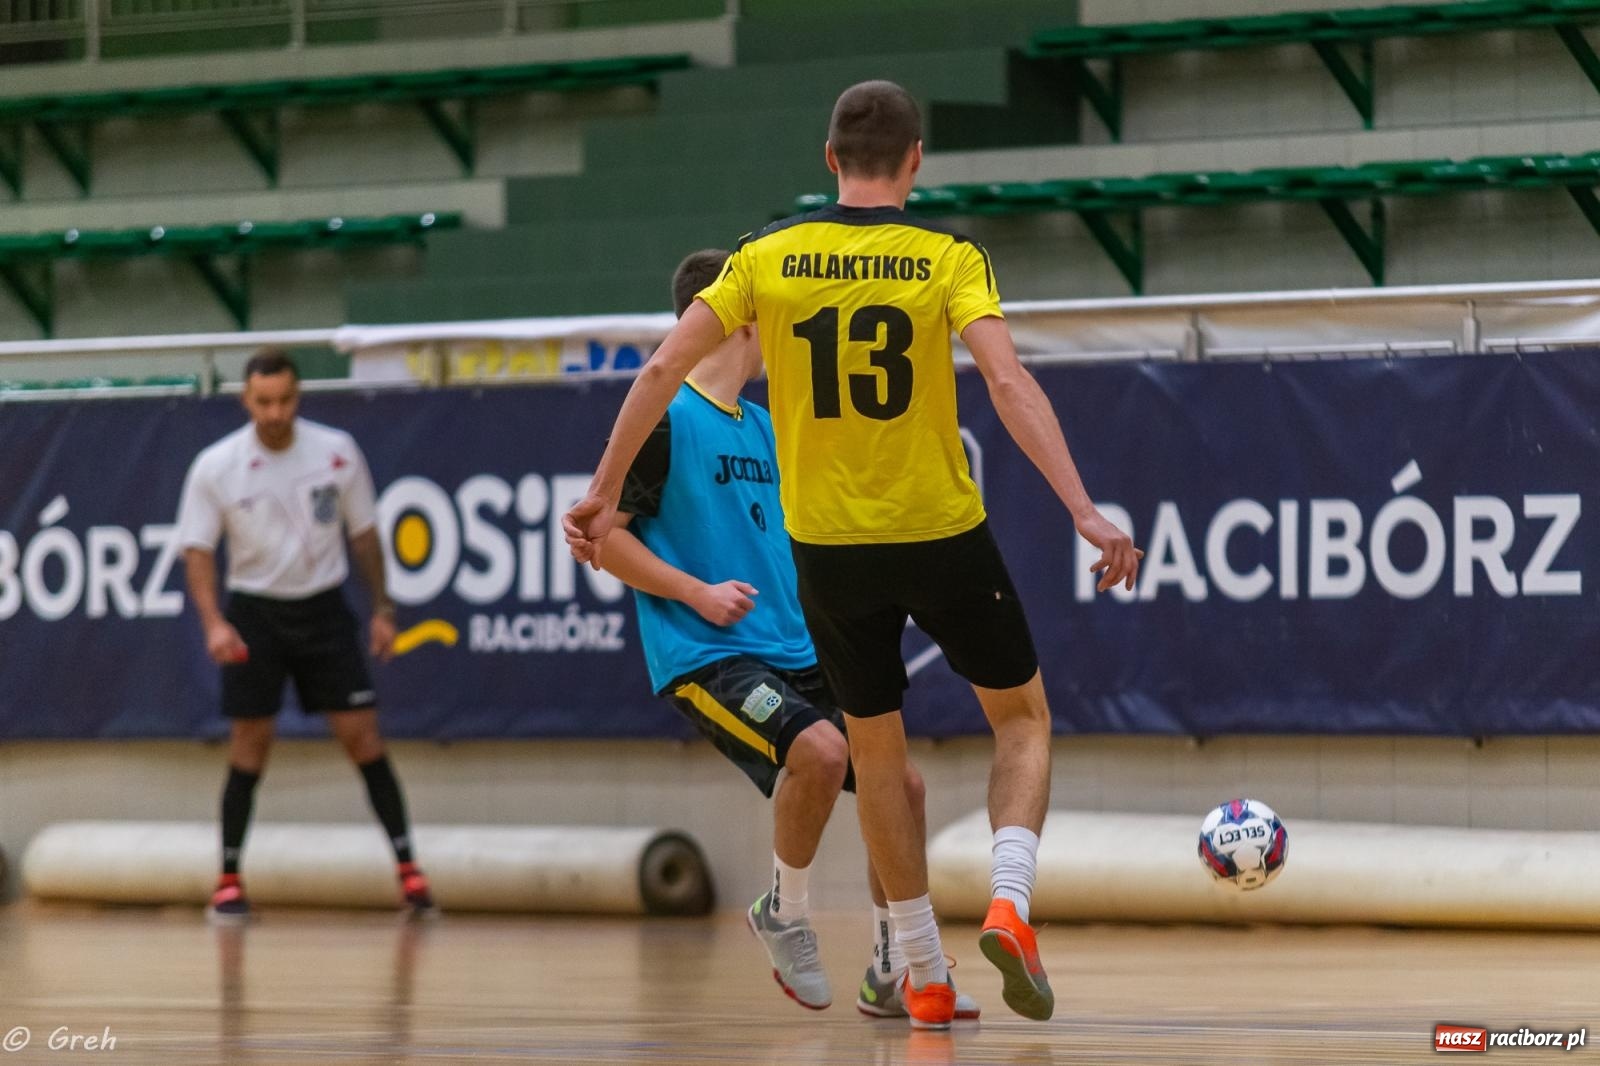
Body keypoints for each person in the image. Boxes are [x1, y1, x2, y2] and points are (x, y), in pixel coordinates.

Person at [564, 81, 1141, 1029]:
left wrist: (598, 486)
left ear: (828, 160)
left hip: (829, 551)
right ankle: (1008, 901)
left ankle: (916, 971)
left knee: (877, 756)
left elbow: (661, 367)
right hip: (938, 528)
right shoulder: (947, 257)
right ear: (916, 160)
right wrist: (1082, 508)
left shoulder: (766, 257)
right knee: (1023, 721)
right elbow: (1006, 380)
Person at [598, 249, 978, 1020]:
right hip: (711, 654)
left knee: (900, 788)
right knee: (821, 751)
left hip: (799, 646)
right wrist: (695, 592)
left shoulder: (770, 426)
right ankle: (785, 910)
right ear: (741, 316)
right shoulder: (665, 419)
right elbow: (607, 540)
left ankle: (894, 967)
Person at [176, 348, 435, 924]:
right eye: (263, 401)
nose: (275, 412)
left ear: (299, 396)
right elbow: (197, 551)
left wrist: (383, 610)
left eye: (285, 400)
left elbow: (364, 536)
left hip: (324, 612)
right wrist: (215, 623)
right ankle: (227, 881)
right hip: (255, 616)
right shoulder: (216, 466)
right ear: (246, 399)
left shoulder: (336, 452)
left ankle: (410, 874)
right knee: (250, 745)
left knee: (363, 738)